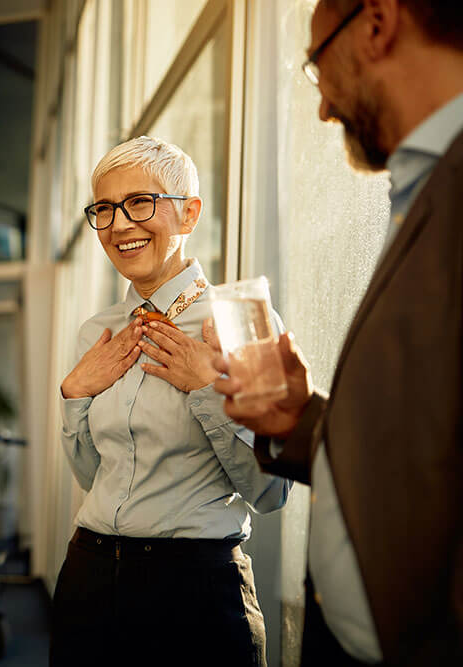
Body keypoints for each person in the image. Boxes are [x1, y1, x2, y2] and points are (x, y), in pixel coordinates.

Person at [213, 1, 463, 664]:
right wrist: (303, 419)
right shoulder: (422, 189)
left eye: (317, 63)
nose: (323, 107)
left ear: (376, 23)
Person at [51, 136, 291, 666]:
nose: (118, 225)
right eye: (104, 209)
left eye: (140, 202)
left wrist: (207, 388)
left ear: (189, 213)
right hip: (89, 576)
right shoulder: (98, 331)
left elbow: (272, 491)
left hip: (196, 589)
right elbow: (92, 476)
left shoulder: (243, 320)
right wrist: (73, 395)